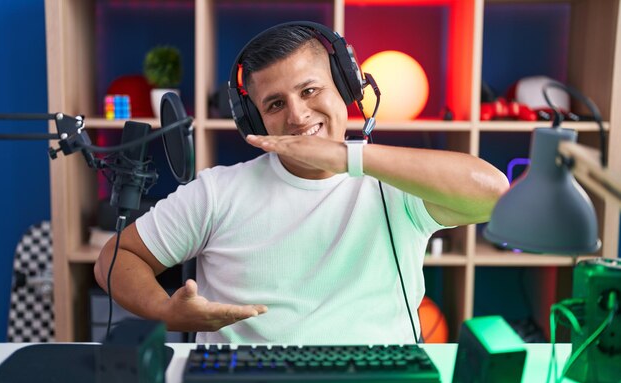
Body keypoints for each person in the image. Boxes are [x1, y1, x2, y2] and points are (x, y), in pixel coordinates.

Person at [94, 22, 509, 345]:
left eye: (310, 90)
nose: (296, 115)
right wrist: (165, 310)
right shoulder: (217, 192)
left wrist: (348, 157)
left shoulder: (397, 185)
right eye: (275, 104)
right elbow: (115, 258)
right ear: (254, 121)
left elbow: (494, 196)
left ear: (347, 88)